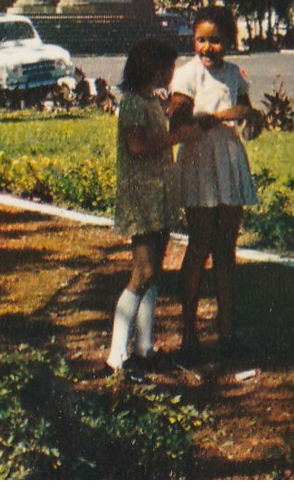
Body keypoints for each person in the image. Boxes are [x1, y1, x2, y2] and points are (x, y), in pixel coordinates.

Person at [107, 36, 202, 380]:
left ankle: (145, 348)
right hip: (141, 198)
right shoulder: (132, 104)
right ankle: (117, 355)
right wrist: (176, 138)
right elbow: (136, 146)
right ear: (154, 68)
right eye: (169, 67)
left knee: (153, 273)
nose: (172, 74)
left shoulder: (150, 102)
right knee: (142, 273)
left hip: (157, 196)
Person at [167, 6, 258, 363]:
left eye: (216, 41)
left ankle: (227, 331)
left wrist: (251, 118)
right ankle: (189, 334)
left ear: (229, 42)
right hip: (199, 162)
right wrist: (222, 116)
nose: (207, 48)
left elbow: (247, 115)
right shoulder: (186, 75)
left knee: (226, 248)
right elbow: (179, 120)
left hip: (229, 162)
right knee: (199, 244)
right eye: (201, 40)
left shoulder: (234, 74)